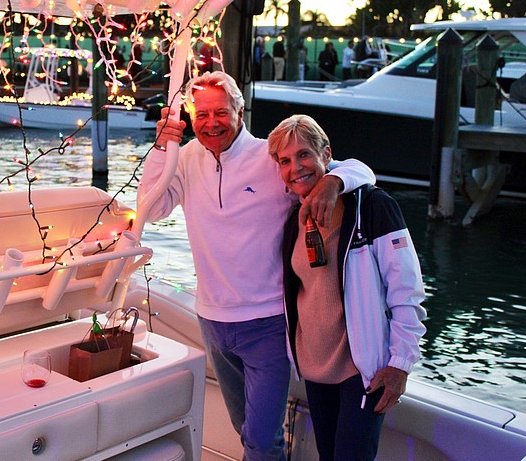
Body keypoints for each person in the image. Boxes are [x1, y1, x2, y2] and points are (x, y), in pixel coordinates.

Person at [139, 72, 375, 460]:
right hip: (212, 320)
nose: (211, 123)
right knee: (245, 429)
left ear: (240, 110)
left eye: (221, 112)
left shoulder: (270, 157)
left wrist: (334, 182)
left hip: (268, 323)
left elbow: (360, 170)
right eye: (202, 114)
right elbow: (152, 209)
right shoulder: (186, 158)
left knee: (262, 441)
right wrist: (163, 147)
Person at [266, 114, 426, 461]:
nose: (296, 167)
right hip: (316, 370)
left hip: (363, 371)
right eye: (285, 161)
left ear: (326, 154)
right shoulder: (294, 217)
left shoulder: (372, 207)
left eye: (304, 154)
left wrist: (400, 364)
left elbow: (407, 293)